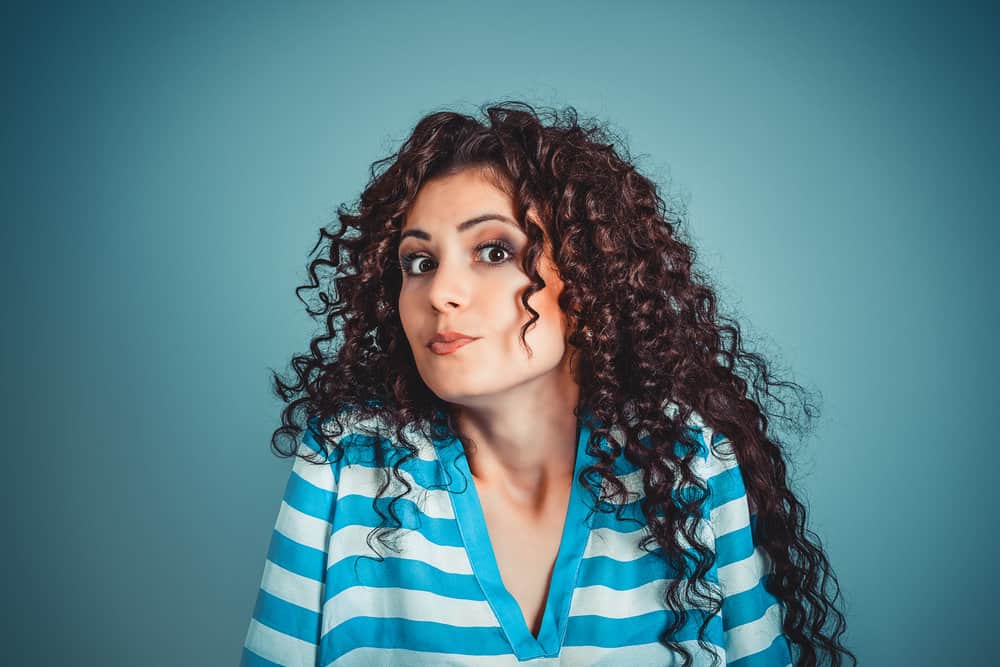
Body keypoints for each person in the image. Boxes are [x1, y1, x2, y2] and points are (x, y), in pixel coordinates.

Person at [241, 101, 856, 666]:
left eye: (494, 251)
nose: (441, 293)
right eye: (418, 262)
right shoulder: (345, 459)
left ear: (587, 281)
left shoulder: (688, 461)